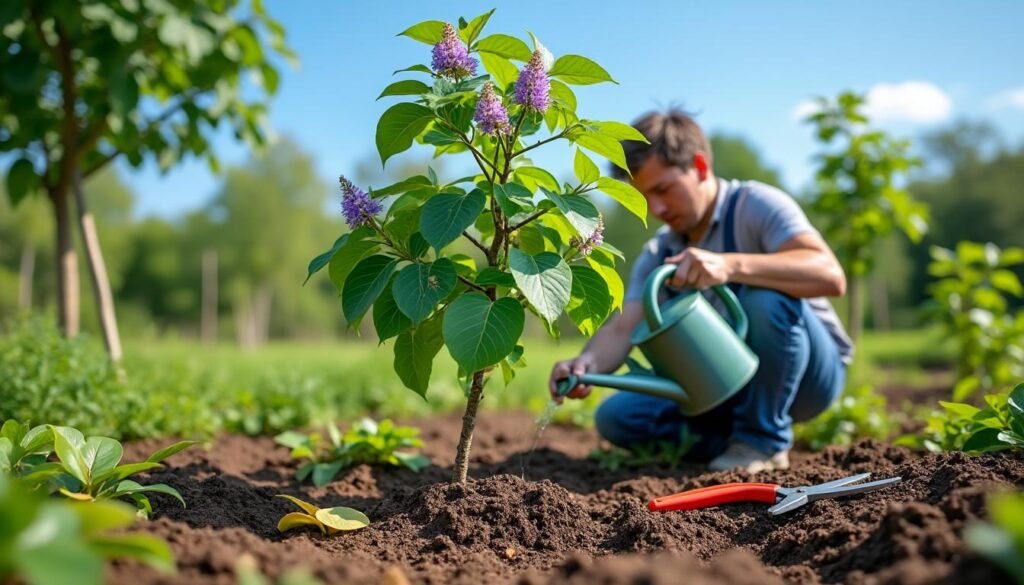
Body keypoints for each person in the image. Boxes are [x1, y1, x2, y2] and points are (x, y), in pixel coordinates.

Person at [548, 109, 853, 473]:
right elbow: (623, 328)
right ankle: (736, 438)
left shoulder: (755, 205)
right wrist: (586, 365)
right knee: (617, 417)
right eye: (644, 198)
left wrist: (729, 265)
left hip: (809, 376)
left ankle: (763, 441)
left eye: (663, 189)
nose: (657, 208)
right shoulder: (659, 254)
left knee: (765, 299)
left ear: (700, 166)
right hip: (726, 384)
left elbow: (830, 275)